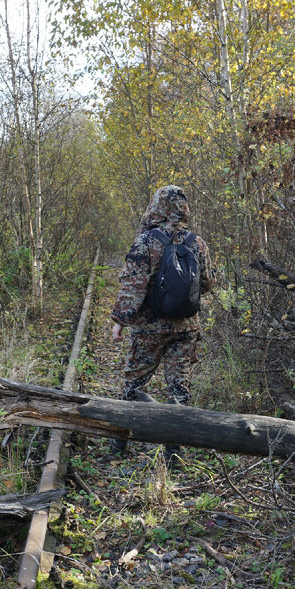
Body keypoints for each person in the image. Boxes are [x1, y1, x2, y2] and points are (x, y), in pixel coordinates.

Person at [109, 185, 214, 467]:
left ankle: (119, 443)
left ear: (157, 207)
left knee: (133, 383)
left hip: (148, 328)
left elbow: (133, 285)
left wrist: (120, 321)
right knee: (179, 388)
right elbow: (207, 282)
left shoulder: (146, 241)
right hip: (186, 327)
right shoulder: (197, 242)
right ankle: (174, 453)